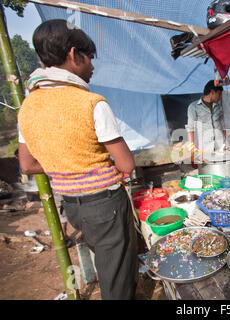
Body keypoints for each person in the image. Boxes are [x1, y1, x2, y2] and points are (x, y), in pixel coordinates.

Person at [17, 20, 138, 300]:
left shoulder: (28, 106)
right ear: (74, 55)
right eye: (90, 59)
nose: (92, 67)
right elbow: (127, 165)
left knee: (107, 264)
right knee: (116, 277)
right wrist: (95, 166)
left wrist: (67, 167)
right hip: (105, 205)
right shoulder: (91, 103)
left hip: (73, 207)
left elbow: (27, 165)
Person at [186, 80, 226, 154]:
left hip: (220, 147)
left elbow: (223, 126)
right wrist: (192, 148)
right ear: (212, 92)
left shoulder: (219, 107)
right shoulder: (194, 107)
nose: (220, 97)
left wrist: (226, 143)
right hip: (205, 149)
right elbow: (190, 128)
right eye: (219, 94)